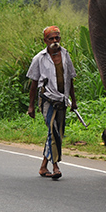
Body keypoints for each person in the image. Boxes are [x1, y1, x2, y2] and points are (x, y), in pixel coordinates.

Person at [27, 26, 77, 179]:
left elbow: (70, 79)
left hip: (62, 100)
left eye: (57, 38)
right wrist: (31, 106)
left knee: (57, 134)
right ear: (45, 41)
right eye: (51, 39)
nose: (55, 41)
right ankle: (56, 167)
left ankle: (43, 166)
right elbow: (33, 84)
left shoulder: (65, 55)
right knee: (53, 132)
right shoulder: (39, 58)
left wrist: (73, 101)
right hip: (47, 100)